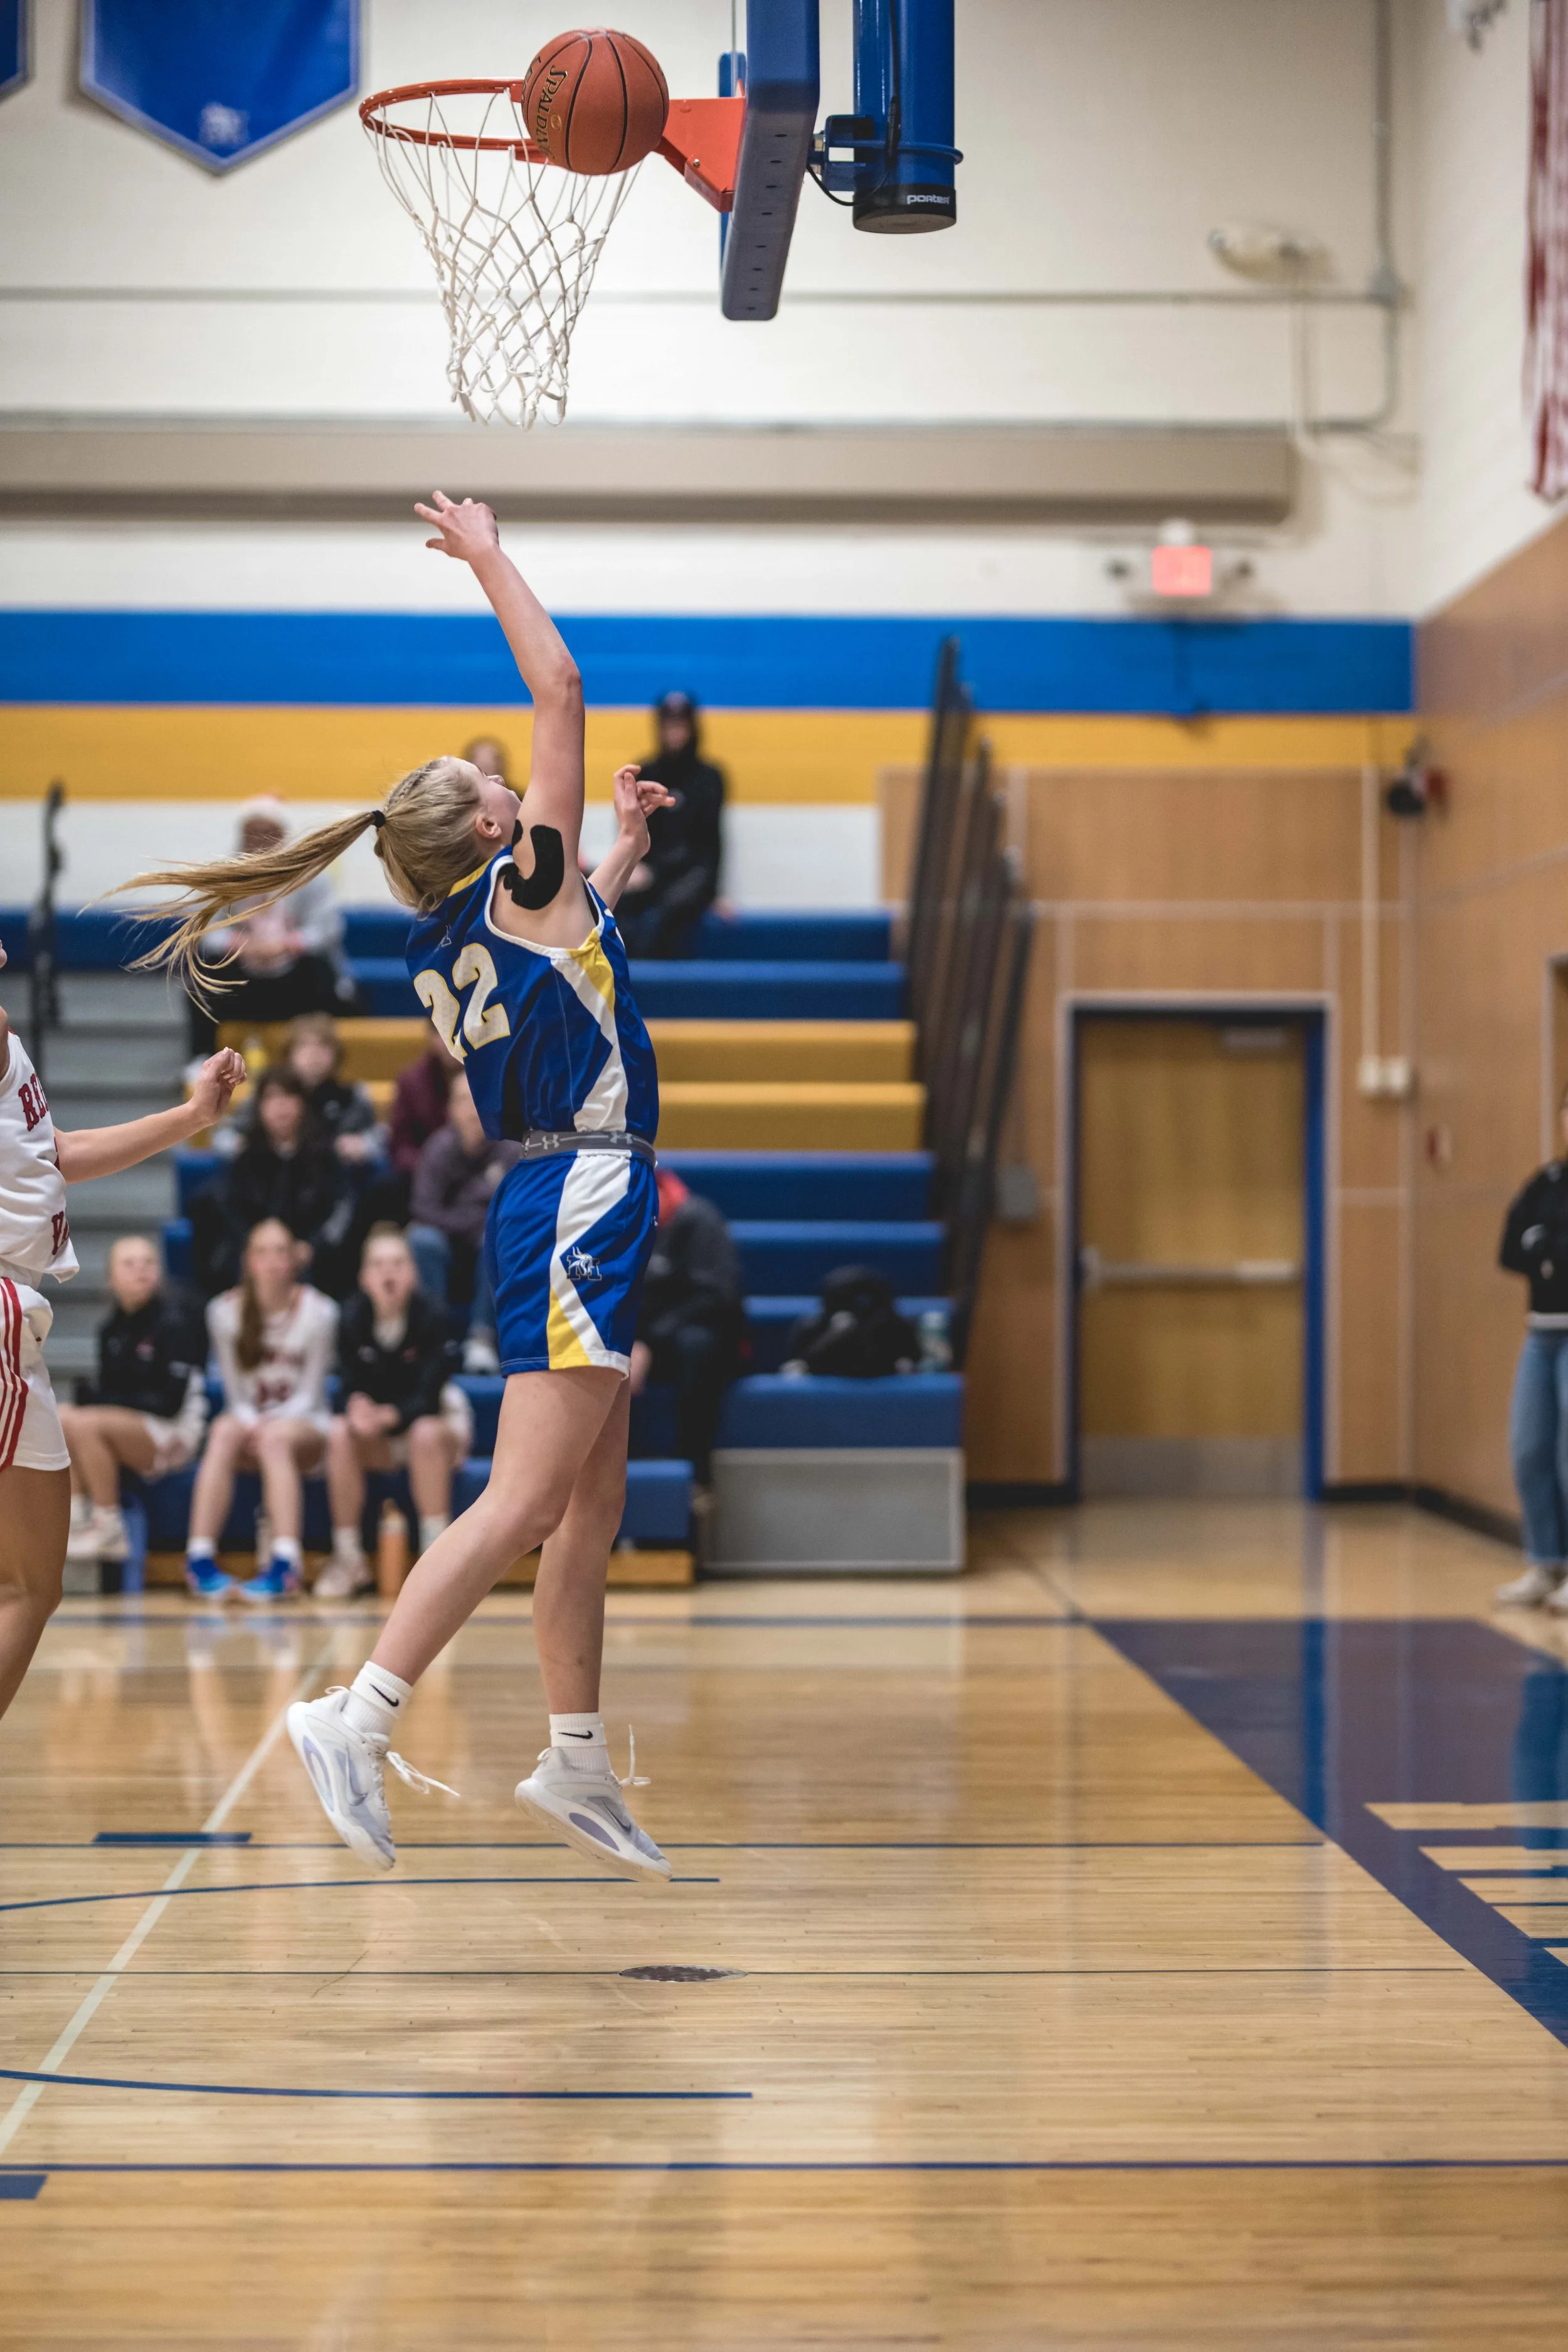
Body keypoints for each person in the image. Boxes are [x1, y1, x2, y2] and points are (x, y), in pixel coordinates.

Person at [118, 490, 677, 1883]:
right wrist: (489, 557)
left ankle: (578, 1761)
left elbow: (567, 959)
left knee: (589, 1504)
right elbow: (559, 683)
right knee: (519, 1502)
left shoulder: (451, 932)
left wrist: (620, 856)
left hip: (558, 1198)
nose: (510, 777)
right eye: (494, 786)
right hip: (577, 1198)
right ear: (493, 827)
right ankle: (352, 1716)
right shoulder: (515, 882)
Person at [0, 928, 242, 1720]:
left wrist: (193, 1115)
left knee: (34, 1584)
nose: (4, 952)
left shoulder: (9, 1041)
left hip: (19, 1321)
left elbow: (57, 1153)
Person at [186, 1217, 337, 1603]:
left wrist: (268, 1424)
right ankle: (199, 1559)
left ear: (295, 1260)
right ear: (249, 1261)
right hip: (252, 1421)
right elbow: (236, 1396)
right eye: (263, 1252)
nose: (272, 1261)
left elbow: (310, 1393)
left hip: (306, 1426)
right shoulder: (223, 1311)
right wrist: (255, 1423)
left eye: (280, 1252)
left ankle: (287, 1564)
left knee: (274, 1438)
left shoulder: (320, 1312)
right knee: (222, 1430)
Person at [320, 1225, 471, 1599]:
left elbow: (430, 1394)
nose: (389, 1273)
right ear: (364, 1276)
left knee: (424, 1431)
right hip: (380, 1434)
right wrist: (356, 1409)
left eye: (398, 1263)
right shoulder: (351, 1316)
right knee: (339, 1432)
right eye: (379, 1265)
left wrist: (390, 1415)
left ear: (413, 1273)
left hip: (432, 1425)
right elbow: (345, 1384)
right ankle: (348, 1558)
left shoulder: (432, 1314)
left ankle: (437, 1562)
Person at [59, 1233, 209, 1569]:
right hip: (135, 1428)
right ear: (111, 1279)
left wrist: (101, 1399)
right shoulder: (111, 1329)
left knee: (85, 1420)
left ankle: (109, 1526)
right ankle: (79, 1516)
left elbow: (168, 1402)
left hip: (175, 1433)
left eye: (149, 1263)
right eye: (129, 1264)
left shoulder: (176, 1321)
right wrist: (101, 1399)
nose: (141, 1270)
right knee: (63, 1415)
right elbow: (115, 1396)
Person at [182, 796, 360, 1061]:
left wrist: (286, 944)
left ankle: (324, 1058)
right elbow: (206, 931)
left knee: (327, 979)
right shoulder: (222, 876)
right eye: (253, 833)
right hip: (243, 969)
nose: (260, 840)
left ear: (283, 835)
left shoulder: (310, 875)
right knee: (201, 982)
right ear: (242, 835)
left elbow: (327, 929)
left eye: (268, 833)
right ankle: (201, 1057)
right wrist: (243, 945)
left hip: (294, 973)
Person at [190, 1066, 358, 1299]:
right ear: (259, 1108)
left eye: (289, 1096)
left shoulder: (325, 1155)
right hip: (254, 1255)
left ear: (302, 1104)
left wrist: (312, 1248)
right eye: (271, 1098)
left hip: (313, 1258)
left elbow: (342, 1207)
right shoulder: (246, 1157)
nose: (281, 1106)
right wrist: (258, 1248)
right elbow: (232, 1210)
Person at [1498, 1095, 1568, 1611]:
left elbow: (1547, 1248)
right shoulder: (1545, 1183)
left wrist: (1549, 1245)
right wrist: (1545, 1247)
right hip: (1539, 1334)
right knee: (1529, 1446)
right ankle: (1546, 1561)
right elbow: (1511, 1246)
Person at [629, 1167, 744, 1481]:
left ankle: (695, 1474)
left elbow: (717, 1296)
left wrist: (649, 1342)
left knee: (698, 1344)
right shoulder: (603, 1227)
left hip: (686, 1336)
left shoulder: (697, 1218)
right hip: (634, 1338)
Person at [407, 1071, 521, 1372]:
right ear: (450, 1110)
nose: (472, 1109)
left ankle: (481, 1338)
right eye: (462, 1101)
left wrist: (469, 1213)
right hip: (447, 1247)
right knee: (421, 1239)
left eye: (478, 1100)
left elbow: (511, 1209)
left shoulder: (511, 1149)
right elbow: (422, 1209)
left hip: (490, 1247)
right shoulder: (438, 1148)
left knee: (496, 1234)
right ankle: (438, 1336)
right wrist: (475, 1211)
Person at [613, 690, 727, 958]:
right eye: (668, 725)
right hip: (650, 871)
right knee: (616, 910)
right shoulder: (647, 771)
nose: (674, 732)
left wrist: (717, 893)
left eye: (680, 725)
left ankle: (651, 986)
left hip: (691, 876)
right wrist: (632, 866)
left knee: (663, 917)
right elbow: (629, 827)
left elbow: (711, 842)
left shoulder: (709, 778)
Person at [214, 1014, 383, 1168]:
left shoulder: (351, 1096)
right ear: (289, 1054)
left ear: (337, 1054)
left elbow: (382, 1137)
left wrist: (364, 1145)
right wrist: (247, 1148)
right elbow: (224, 1135)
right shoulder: (269, 1094)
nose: (313, 1055)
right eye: (304, 1046)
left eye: (323, 1046)